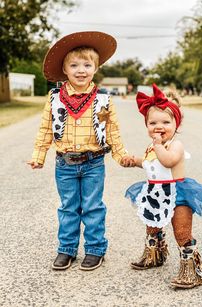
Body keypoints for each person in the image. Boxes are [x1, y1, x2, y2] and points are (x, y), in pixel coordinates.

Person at [28, 31, 134, 271]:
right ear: (64, 69)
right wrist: (38, 155)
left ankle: (95, 250)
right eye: (74, 65)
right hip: (64, 164)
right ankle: (66, 249)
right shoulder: (55, 98)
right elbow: (45, 128)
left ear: (95, 68)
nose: (81, 70)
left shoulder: (103, 99)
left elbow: (112, 131)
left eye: (87, 64)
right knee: (68, 207)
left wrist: (121, 155)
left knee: (93, 206)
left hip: (93, 163)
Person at [125, 84, 202, 289]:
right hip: (155, 193)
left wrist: (158, 146)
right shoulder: (152, 146)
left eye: (166, 122)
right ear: (147, 125)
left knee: (181, 232)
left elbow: (167, 161)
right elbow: (151, 162)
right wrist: (135, 160)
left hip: (178, 194)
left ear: (176, 124)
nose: (159, 127)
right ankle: (154, 255)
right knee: (152, 226)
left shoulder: (175, 145)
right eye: (153, 123)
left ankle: (193, 271)